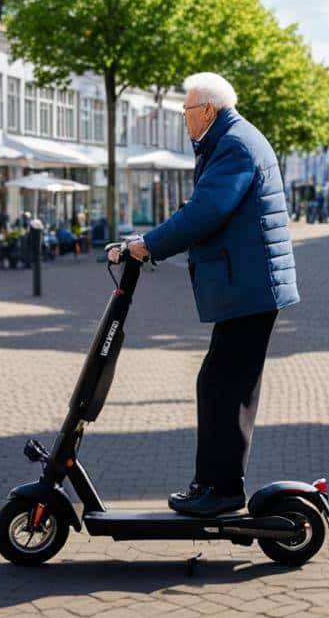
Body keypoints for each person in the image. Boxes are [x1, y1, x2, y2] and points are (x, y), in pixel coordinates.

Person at [108, 72, 298, 517]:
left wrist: (148, 245)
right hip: (248, 284)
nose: (183, 119)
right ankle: (211, 483)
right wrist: (147, 238)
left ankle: (224, 489)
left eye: (186, 111)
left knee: (223, 385)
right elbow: (200, 209)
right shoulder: (230, 139)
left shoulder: (234, 145)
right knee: (220, 383)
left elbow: (207, 212)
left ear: (207, 111)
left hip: (250, 287)